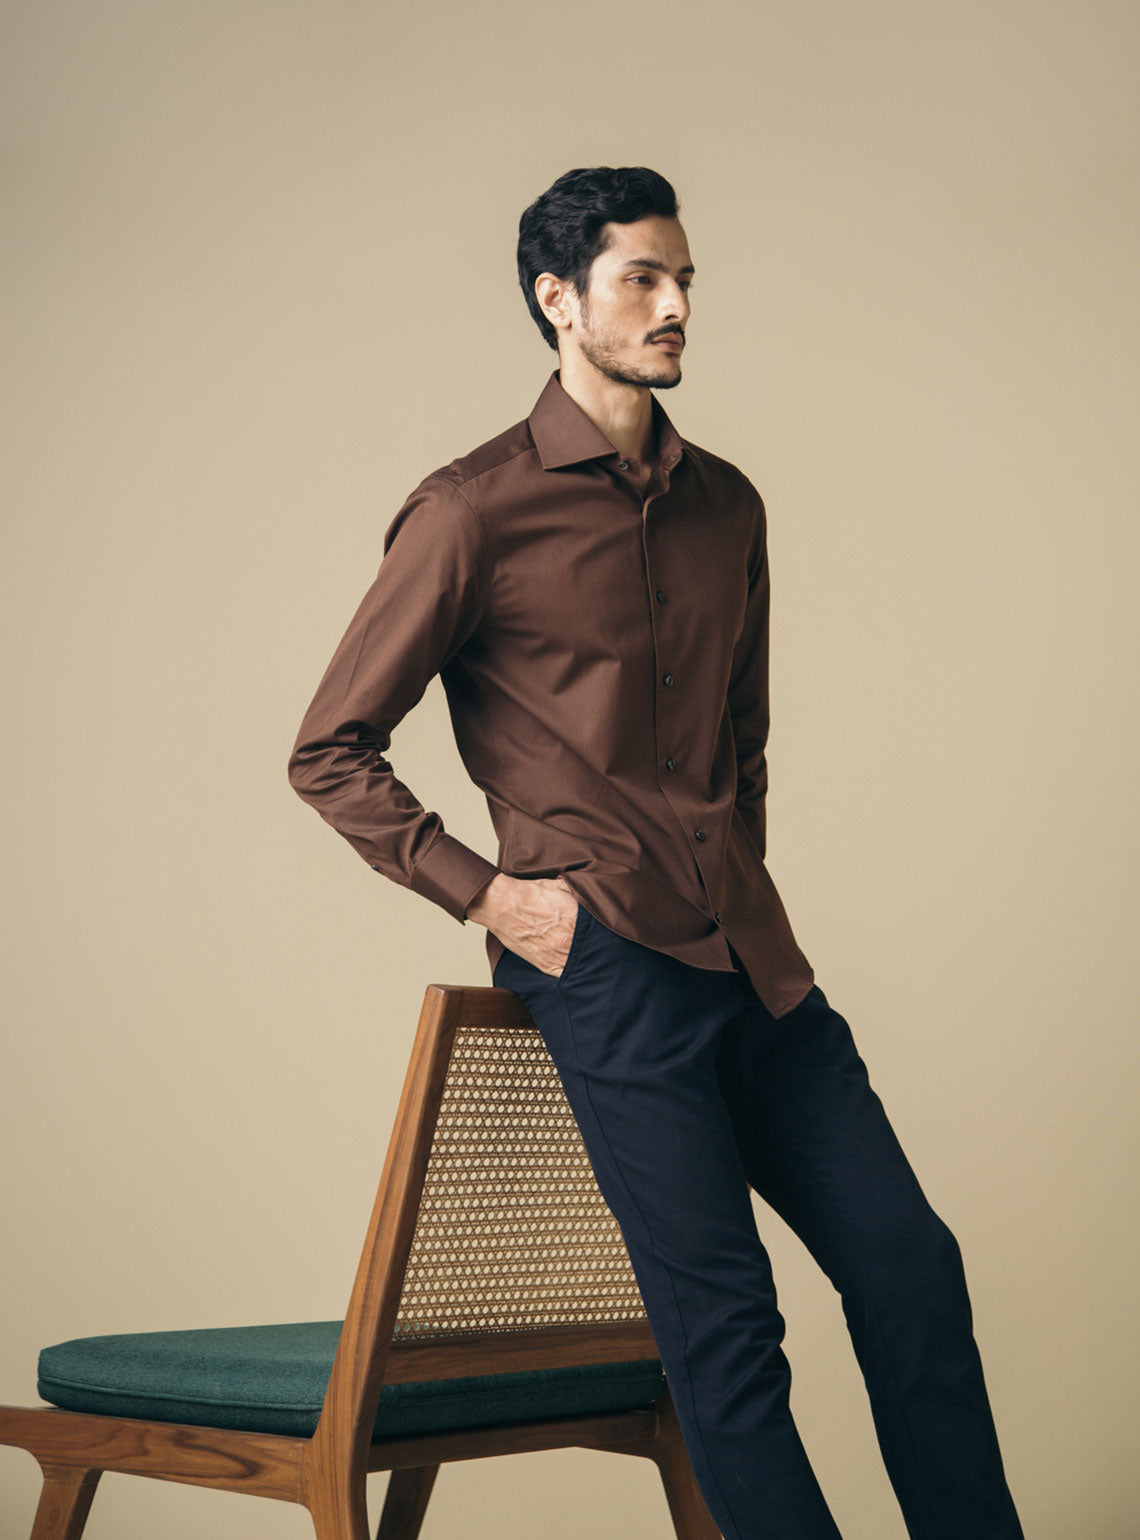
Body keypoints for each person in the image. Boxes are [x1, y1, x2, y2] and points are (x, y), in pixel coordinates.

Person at [287, 165, 1024, 1539]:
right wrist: (490, 897)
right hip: (610, 970)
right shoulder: (470, 511)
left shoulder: (727, 505)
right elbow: (329, 748)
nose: (676, 303)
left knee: (911, 1267)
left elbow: (743, 743)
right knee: (728, 1325)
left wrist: (738, 883)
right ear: (558, 301)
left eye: (684, 278)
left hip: (754, 963)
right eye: (642, 279)